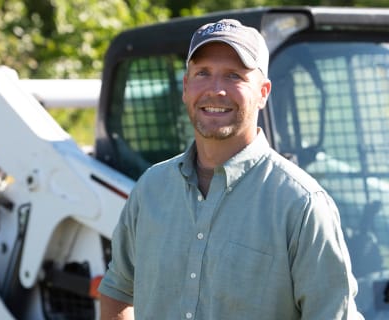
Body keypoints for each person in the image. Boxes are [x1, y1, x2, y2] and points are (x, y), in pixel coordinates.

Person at [98, 18, 363, 319]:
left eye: (234, 76)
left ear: (263, 92)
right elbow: (118, 291)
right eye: (203, 73)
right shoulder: (151, 189)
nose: (216, 90)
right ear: (186, 87)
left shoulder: (301, 205)